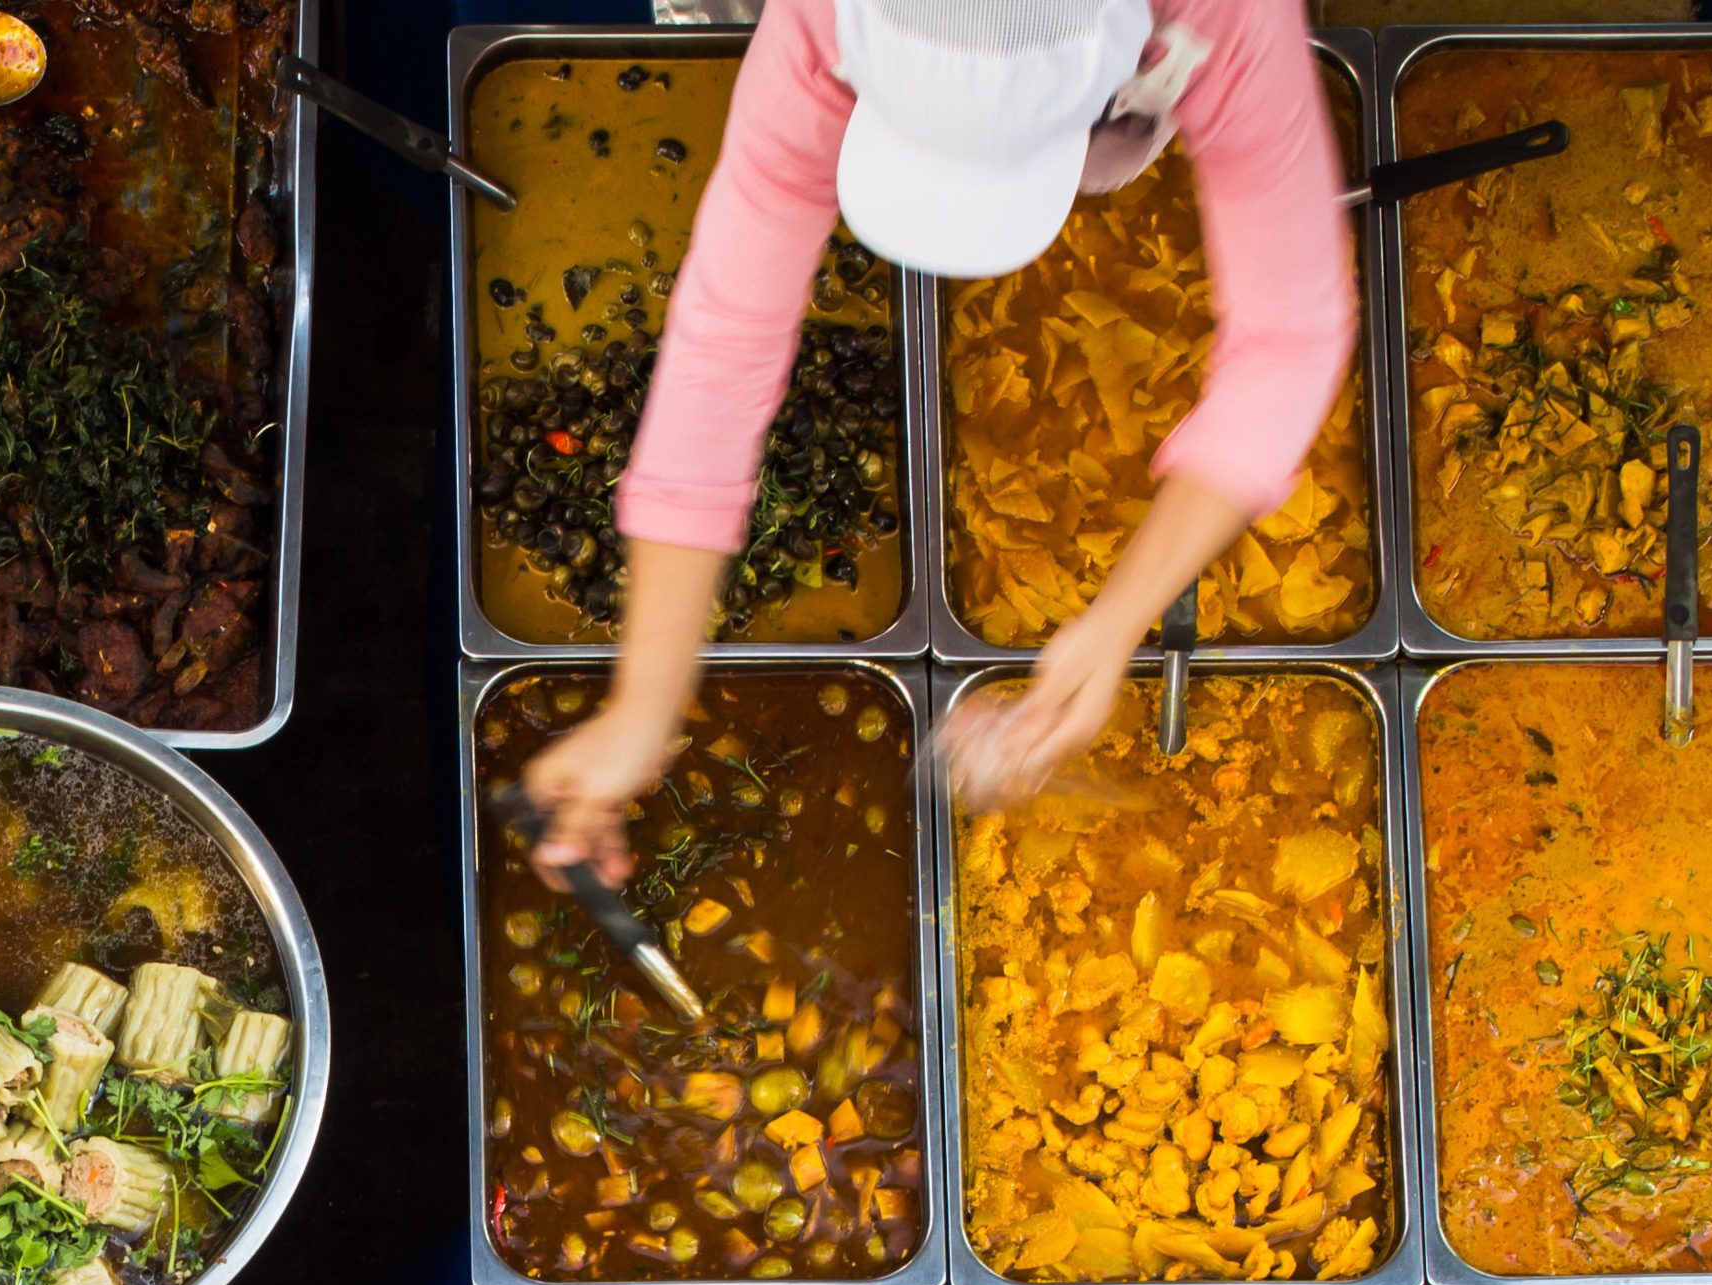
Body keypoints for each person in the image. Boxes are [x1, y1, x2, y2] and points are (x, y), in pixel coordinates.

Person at [524, 0, 1355, 862]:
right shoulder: (819, 23)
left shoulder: (1225, 13)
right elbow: (725, 341)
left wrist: (1116, 624)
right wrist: (643, 704)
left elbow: (1290, 336)